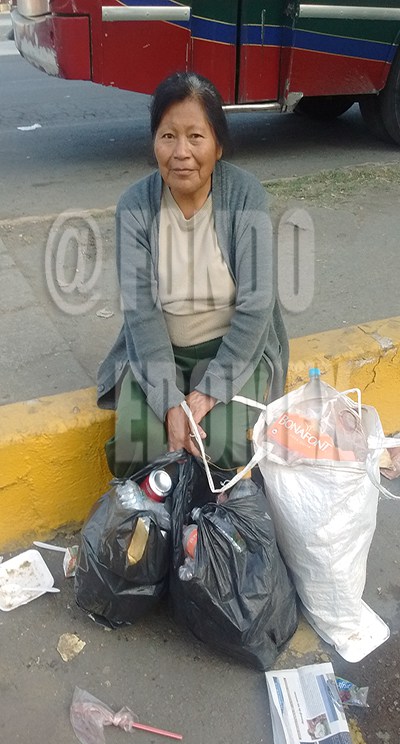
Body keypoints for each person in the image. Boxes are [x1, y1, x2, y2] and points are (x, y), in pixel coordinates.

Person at [97, 71, 289, 479]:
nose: (181, 152)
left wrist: (209, 391)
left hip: (233, 349)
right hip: (159, 350)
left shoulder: (245, 195)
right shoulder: (135, 205)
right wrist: (169, 400)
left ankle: (212, 534)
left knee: (222, 443)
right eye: (168, 136)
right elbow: (141, 313)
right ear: (154, 143)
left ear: (218, 146)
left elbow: (257, 305)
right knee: (137, 443)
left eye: (196, 137)